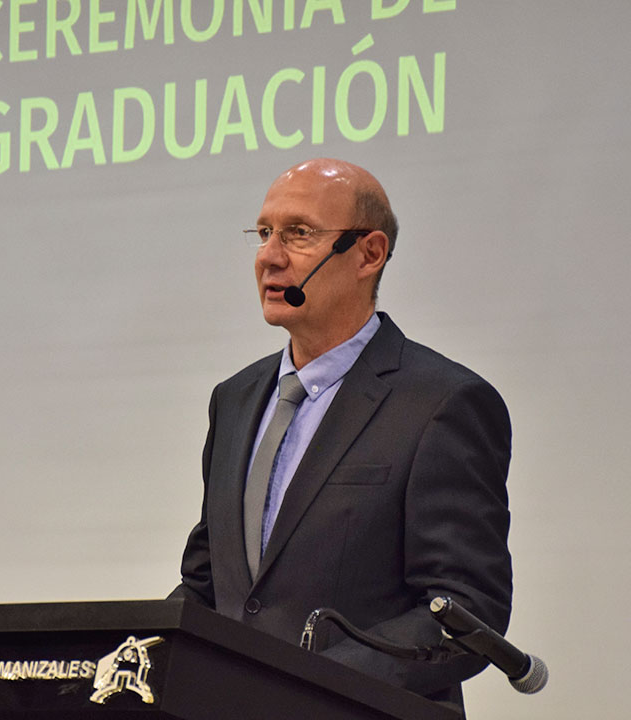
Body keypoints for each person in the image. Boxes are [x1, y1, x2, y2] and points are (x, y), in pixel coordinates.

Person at [172, 158, 513, 708]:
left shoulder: (442, 404)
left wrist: (300, 688)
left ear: (368, 254)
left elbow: (466, 613)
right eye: (263, 234)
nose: (270, 257)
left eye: (299, 234)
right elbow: (208, 583)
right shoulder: (234, 399)